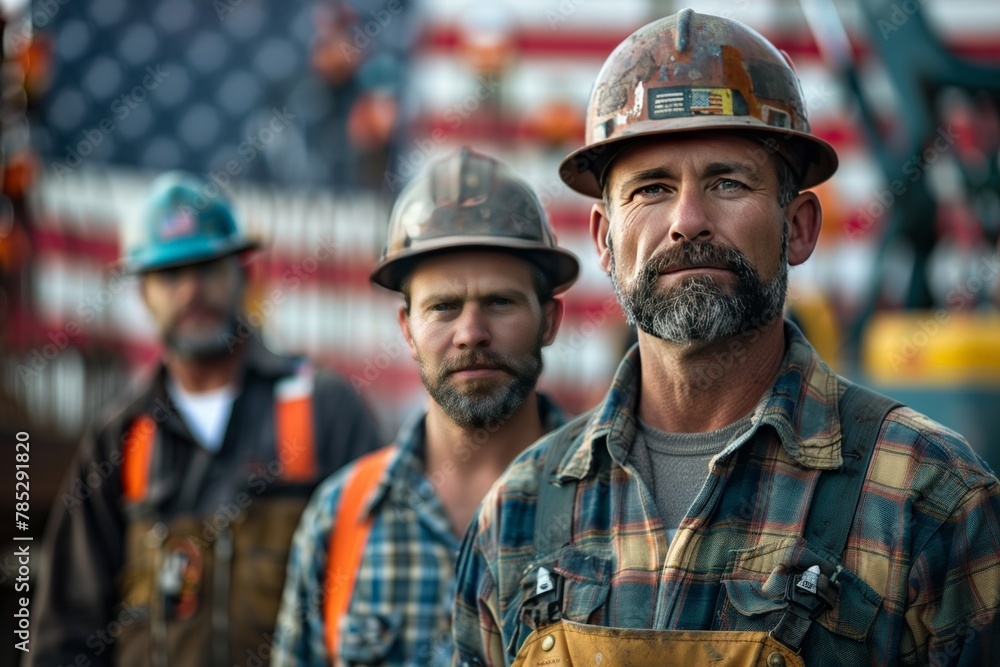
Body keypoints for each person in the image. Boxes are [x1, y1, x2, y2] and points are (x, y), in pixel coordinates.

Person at [453, 10, 1000, 667]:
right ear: (603, 238)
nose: (687, 221)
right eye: (651, 188)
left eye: (727, 182)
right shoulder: (516, 514)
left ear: (798, 226)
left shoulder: (929, 497)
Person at [30, 172, 382, 667]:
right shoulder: (119, 439)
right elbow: (65, 633)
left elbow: (383, 588)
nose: (192, 289)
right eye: (171, 275)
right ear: (142, 294)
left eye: (208, 268)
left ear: (244, 275)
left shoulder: (324, 408)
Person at [271, 147, 579, 666]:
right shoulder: (339, 519)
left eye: (500, 302)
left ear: (549, 321)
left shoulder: (615, 506)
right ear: (407, 330)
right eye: (443, 307)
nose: (471, 335)